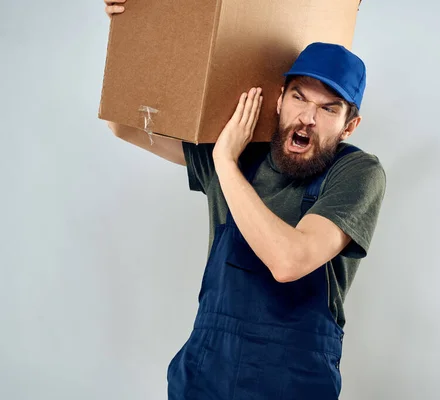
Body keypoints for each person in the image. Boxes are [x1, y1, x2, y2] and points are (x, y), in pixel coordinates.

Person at [105, 2, 386, 399]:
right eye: (299, 97)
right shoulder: (242, 152)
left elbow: (289, 261)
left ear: (349, 126)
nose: (307, 117)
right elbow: (124, 126)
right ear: (279, 99)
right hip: (203, 380)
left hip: (293, 387)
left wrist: (224, 161)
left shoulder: (356, 173)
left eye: (328, 108)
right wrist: (127, 24)